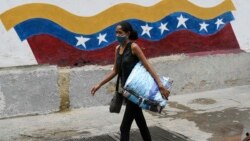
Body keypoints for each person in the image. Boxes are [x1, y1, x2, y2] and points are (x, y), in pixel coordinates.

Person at [91, 21, 170, 141]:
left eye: (120, 32)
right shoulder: (117, 49)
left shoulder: (134, 47)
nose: (117, 35)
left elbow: (147, 65)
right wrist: (99, 84)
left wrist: (160, 84)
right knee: (140, 122)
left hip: (135, 92)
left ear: (127, 33)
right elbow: (115, 71)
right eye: (116, 33)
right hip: (126, 92)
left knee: (124, 127)